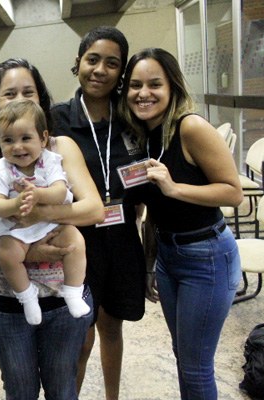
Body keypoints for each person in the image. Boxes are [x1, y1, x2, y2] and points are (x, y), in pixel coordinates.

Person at [0, 58, 104, 399]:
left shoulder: (59, 149)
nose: (18, 99)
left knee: (62, 389)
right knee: (20, 390)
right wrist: (32, 251)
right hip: (7, 302)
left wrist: (40, 212)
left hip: (60, 299)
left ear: (40, 99)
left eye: (28, 91)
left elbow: (94, 209)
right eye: (8, 93)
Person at [119, 47, 243, 399]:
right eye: (135, 85)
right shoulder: (143, 135)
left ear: (172, 86)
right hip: (169, 256)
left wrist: (174, 188)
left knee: (196, 367)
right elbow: (153, 210)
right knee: (184, 357)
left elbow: (233, 193)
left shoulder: (190, 127)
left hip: (207, 256)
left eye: (154, 84)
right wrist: (148, 265)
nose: (144, 93)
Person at [50, 26, 149, 399]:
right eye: (93, 60)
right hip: (78, 242)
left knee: (113, 326)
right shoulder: (57, 119)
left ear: (121, 73)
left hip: (123, 239)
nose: (100, 70)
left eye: (112, 64)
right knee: (81, 335)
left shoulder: (131, 118)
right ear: (78, 63)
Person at [0, 99, 89, 324]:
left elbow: (59, 191)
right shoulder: (1, 170)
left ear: (43, 138)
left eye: (26, 138)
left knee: (76, 241)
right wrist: (15, 204)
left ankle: (73, 291)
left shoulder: (50, 161)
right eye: (8, 140)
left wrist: (38, 194)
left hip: (50, 223)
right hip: (16, 226)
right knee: (7, 253)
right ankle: (27, 296)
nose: (17, 147)